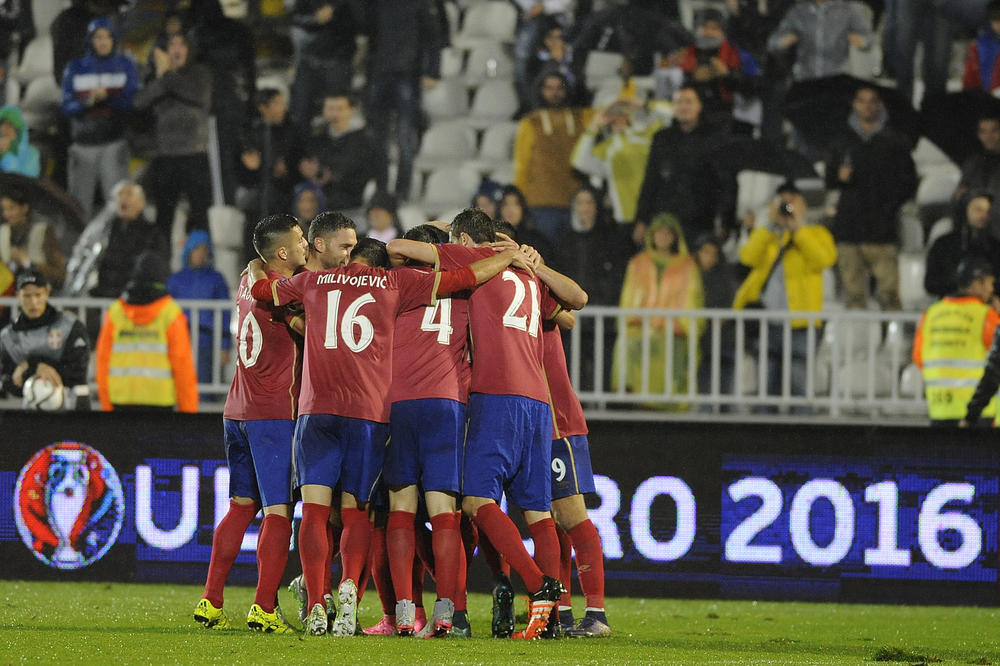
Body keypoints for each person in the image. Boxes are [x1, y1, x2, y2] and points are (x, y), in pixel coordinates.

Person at [245, 213, 531, 636]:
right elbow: (465, 277)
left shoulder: (310, 283)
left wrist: (254, 266)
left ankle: (330, 602)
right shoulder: (395, 285)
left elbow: (262, 289)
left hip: (322, 409)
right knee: (381, 513)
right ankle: (442, 610)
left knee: (321, 513)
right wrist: (505, 256)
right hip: (379, 413)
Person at [433, 209, 587, 640]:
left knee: (476, 503)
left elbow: (403, 247)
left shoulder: (473, 266)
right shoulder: (529, 276)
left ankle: (540, 586)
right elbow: (577, 302)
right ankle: (553, 615)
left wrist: (452, 236)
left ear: (465, 239)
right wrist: (529, 261)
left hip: (496, 396)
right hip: (538, 403)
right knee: (538, 511)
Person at [193, 213, 308, 635]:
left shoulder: (249, 276)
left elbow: (258, 270)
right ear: (281, 252)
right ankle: (263, 607)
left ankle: (211, 600)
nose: (306, 244)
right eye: (299, 240)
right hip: (272, 413)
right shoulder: (281, 292)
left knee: (241, 506)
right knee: (279, 510)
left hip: (236, 410)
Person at [732, 183, 837, 407]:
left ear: (803, 206)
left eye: (792, 201)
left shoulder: (817, 234)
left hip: (801, 322)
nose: (787, 207)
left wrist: (798, 227)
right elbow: (747, 257)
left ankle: (802, 437)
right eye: (783, 202)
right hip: (768, 322)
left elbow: (823, 260)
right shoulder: (768, 236)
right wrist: (770, 224)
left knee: (799, 386)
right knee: (767, 387)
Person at [541, 312, 611, 638]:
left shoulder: (534, 286)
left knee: (572, 517)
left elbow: (571, 314)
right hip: (533, 423)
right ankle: (563, 612)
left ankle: (596, 615)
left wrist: (537, 266)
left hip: (558, 424)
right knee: (553, 522)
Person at [825, 85, 917, 311]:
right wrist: (839, 177)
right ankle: (857, 344)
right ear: (855, 104)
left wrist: (890, 205)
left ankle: (892, 343)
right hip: (849, 228)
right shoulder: (841, 140)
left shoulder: (895, 141)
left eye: (871, 101)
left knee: (890, 295)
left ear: (879, 105)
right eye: (861, 100)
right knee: (853, 295)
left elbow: (909, 181)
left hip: (882, 229)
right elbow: (829, 180)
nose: (866, 106)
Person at [612, 213, 703, 405]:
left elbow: (692, 298)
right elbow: (628, 298)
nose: (662, 237)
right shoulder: (638, 263)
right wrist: (634, 321)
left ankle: (670, 404)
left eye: (667, 233)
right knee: (626, 344)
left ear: (675, 237)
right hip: (641, 328)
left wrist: (679, 326)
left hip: (674, 331)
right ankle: (628, 396)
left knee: (673, 356)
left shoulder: (687, 265)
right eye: (658, 233)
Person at [95, 250, 198, 412]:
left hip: (120, 402)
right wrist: (189, 411)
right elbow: (183, 366)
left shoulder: (115, 313)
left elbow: (102, 362)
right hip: (159, 404)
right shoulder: (171, 314)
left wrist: (105, 404)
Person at [133, 32, 213, 236]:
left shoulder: (199, 74)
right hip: (166, 157)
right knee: (163, 217)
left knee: (199, 215)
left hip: (193, 156)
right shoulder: (159, 78)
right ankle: (161, 262)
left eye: (181, 44)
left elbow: (199, 96)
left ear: (189, 50)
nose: (176, 49)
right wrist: (161, 78)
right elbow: (139, 101)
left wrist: (166, 76)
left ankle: (204, 264)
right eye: (172, 45)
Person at [364, 0, 444, 202]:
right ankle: (382, 191)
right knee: (377, 138)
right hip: (380, 72)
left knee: (404, 137)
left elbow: (433, 36)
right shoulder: (377, 5)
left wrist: (431, 70)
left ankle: (402, 192)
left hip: (406, 73)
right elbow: (369, 31)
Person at [60, 17, 138, 221]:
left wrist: (108, 98)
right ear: (90, 40)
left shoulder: (125, 65)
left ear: (114, 39)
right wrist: (88, 101)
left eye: (107, 37)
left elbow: (132, 102)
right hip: (83, 145)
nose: (103, 42)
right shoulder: (75, 67)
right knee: (77, 208)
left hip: (113, 144)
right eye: (98, 37)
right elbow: (66, 106)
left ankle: (120, 250)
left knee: (119, 204)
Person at [634, 85, 723, 250]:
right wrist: (642, 219)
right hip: (665, 221)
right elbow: (650, 180)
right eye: (679, 102)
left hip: (699, 223)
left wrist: (723, 220)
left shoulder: (713, 139)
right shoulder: (662, 138)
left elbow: (722, 183)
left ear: (699, 106)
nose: (683, 107)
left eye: (688, 102)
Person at [915, 257, 999, 426]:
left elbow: (919, 358)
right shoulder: (987, 316)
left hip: (940, 410)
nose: (992, 289)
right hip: (979, 413)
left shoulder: (930, 314)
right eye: (989, 283)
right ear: (976, 284)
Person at [512, 71, 593, 242]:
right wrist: (521, 201)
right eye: (549, 88)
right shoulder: (530, 123)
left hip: (576, 203)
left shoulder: (582, 117)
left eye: (559, 87)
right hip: (541, 205)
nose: (554, 92)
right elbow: (522, 166)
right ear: (540, 90)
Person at [0, 270, 91, 410]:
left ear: (47, 293)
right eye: (27, 296)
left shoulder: (70, 326)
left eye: (38, 295)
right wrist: (34, 376)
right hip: (33, 412)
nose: (33, 302)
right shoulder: (9, 337)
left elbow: (77, 372)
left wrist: (32, 365)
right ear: (18, 296)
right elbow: (8, 380)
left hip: (73, 410)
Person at [570, 96, 663, 231]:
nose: (617, 117)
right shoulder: (606, 149)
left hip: (654, 214)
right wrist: (593, 127)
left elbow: (672, 114)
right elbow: (579, 161)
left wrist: (642, 103)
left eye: (622, 112)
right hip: (624, 219)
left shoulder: (647, 136)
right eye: (612, 114)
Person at [66, 181, 166, 299]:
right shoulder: (101, 230)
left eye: (129, 194)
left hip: (132, 302)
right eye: (120, 194)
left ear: (141, 203)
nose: (123, 198)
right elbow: (82, 256)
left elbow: (155, 269)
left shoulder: (153, 234)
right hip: (98, 299)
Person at [166, 229, 232, 400]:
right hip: (180, 342)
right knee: (179, 390)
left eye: (204, 249)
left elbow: (225, 315)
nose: (200, 253)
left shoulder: (217, 279)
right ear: (188, 251)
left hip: (207, 343)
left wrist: (225, 346)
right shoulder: (175, 280)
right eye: (196, 248)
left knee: (204, 393)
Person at [288, 0, 362, 133]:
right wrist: (315, 19)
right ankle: (302, 152)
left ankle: (337, 152)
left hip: (338, 64)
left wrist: (336, 14)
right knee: (300, 115)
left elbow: (364, 22)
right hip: (309, 64)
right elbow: (294, 17)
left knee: (337, 118)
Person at [236, 88, 303, 231]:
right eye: (277, 103)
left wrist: (287, 171)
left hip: (284, 194)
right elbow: (242, 171)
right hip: (258, 196)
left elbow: (297, 162)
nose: (283, 108)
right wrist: (252, 169)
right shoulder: (250, 133)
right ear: (263, 108)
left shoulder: (290, 131)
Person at [305, 92, 380, 212]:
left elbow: (371, 174)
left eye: (340, 109)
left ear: (352, 110)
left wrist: (335, 177)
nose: (335, 114)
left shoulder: (364, 141)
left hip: (353, 206)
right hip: (319, 206)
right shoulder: (317, 140)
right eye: (330, 108)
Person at [766, 0, 873, 82]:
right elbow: (772, 43)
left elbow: (868, 40)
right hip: (805, 77)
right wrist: (783, 41)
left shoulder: (848, 10)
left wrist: (861, 41)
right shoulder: (798, 11)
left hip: (838, 77)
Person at [692, 232, 739, 406]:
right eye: (705, 252)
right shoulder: (689, 276)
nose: (710, 257)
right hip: (700, 347)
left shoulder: (726, 279)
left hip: (723, 346)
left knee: (725, 396)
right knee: (704, 396)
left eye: (714, 253)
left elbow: (729, 307)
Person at [925, 193, 1000, 299]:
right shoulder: (943, 244)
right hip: (951, 307)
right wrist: (962, 285)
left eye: (987, 211)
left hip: (986, 308)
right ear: (964, 210)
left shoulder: (995, 246)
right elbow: (930, 284)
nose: (984, 215)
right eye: (978, 210)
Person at [0, 187, 66, 290]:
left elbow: (59, 275)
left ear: (24, 208)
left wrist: (27, 262)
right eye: (4, 210)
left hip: (38, 298)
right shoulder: (3, 233)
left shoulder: (43, 231)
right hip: (8, 298)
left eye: (11, 208)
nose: (6, 214)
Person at [498, 185, 554, 261]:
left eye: (516, 204)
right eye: (505, 204)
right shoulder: (493, 238)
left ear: (523, 208)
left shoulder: (537, 239)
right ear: (499, 209)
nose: (510, 210)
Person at [955, 115, 1000, 203]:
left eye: (994, 130)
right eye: (983, 131)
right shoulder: (973, 163)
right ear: (978, 134)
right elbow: (959, 196)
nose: (989, 136)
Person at [962, 0, 1000, 93]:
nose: (999, 23)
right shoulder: (984, 43)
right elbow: (984, 71)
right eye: (995, 19)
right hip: (985, 95)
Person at [0, 105, 40, 177]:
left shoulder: (32, 153)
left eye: (10, 125)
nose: (6, 129)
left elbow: (27, 179)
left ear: (18, 129)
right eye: (3, 125)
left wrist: (9, 150)